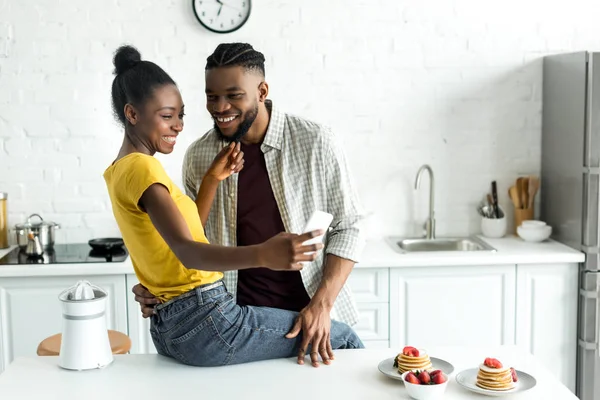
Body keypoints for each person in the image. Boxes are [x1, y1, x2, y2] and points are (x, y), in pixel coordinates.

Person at [103, 44, 363, 367]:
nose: (220, 107)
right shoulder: (199, 158)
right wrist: (162, 289)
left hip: (312, 320)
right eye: (211, 96)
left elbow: (348, 227)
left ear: (262, 91)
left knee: (350, 350)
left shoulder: (316, 142)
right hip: (232, 325)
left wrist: (322, 305)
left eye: (233, 95)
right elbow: (188, 242)